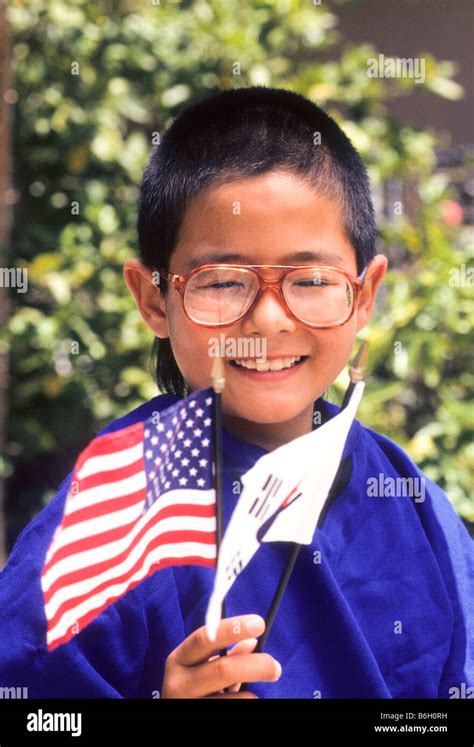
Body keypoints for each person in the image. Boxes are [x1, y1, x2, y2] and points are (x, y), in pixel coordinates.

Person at [1, 87, 472, 699]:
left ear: (364, 297)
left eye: (309, 279)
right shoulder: (98, 533)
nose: (269, 321)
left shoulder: (414, 506)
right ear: (153, 300)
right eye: (222, 281)